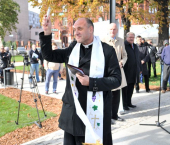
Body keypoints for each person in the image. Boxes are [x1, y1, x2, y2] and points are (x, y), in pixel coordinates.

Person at [40, 16, 121, 145]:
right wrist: (47, 33)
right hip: (73, 114)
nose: (76, 32)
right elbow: (49, 55)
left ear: (90, 29)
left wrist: (92, 82)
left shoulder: (107, 50)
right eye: (74, 29)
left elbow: (116, 80)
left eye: (80, 29)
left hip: (95, 114)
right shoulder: (73, 48)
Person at [102, 23, 127, 124]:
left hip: (118, 71)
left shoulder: (121, 40)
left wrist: (122, 62)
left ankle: (115, 115)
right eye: (111, 29)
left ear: (117, 30)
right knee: (108, 96)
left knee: (116, 95)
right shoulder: (103, 40)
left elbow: (125, 55)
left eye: (114, 29)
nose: (113, 31)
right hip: (107, 72)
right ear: (108, 30)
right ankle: (107, 117)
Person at [123, 32, 141, 110]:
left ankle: (129, 102)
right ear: (126, 37)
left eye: (133, 37)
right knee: (125, 89)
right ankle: (124, 104)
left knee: (131, 88)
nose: (131, 39)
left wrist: (140, 68)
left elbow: (138, 58)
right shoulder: (124, 45)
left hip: (134, 71)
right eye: (130, 37)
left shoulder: (135, 46)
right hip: (126, 71)